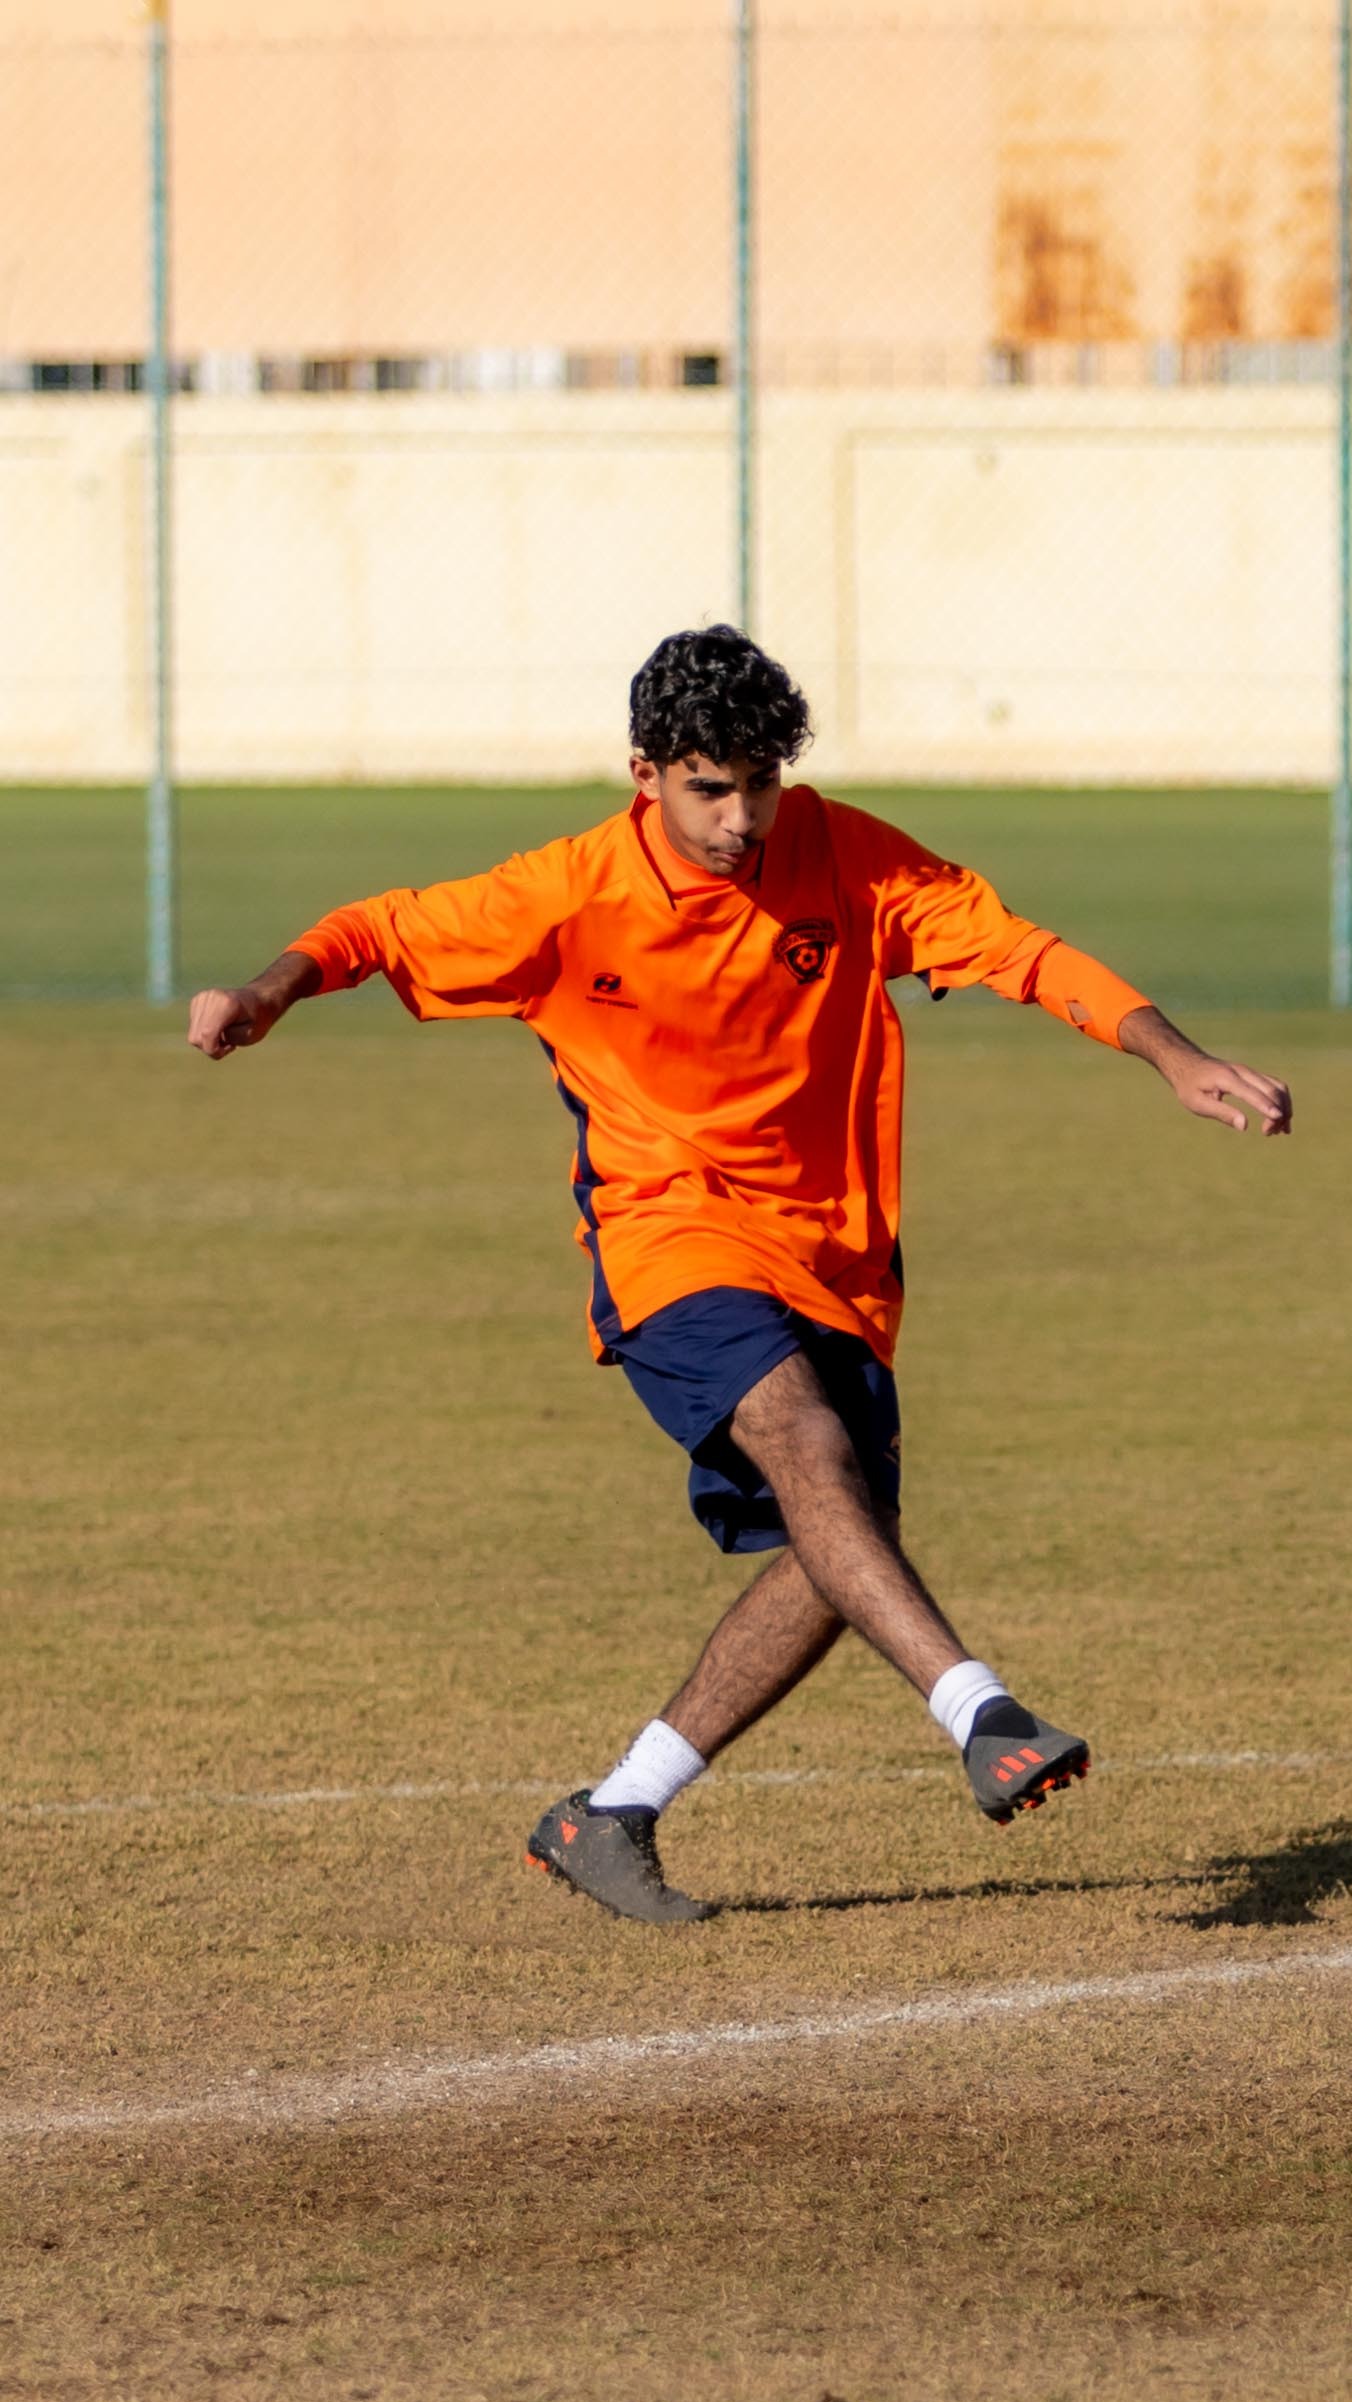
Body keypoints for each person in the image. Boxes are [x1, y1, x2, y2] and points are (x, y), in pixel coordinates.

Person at [186, 626, 1291, 1925]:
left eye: (761, 783)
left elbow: (1020, 951)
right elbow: (373, 929)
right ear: (646, 774)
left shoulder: (847, 857)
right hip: (667, 1236)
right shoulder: (568, 892)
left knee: (843, 1554)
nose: (741, 817)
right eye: (711, 787)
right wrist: (266, 994)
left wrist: (1168, 1053)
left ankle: (612, 1814)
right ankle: (980, 1710)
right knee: (803, 1443)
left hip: (833, 1254)